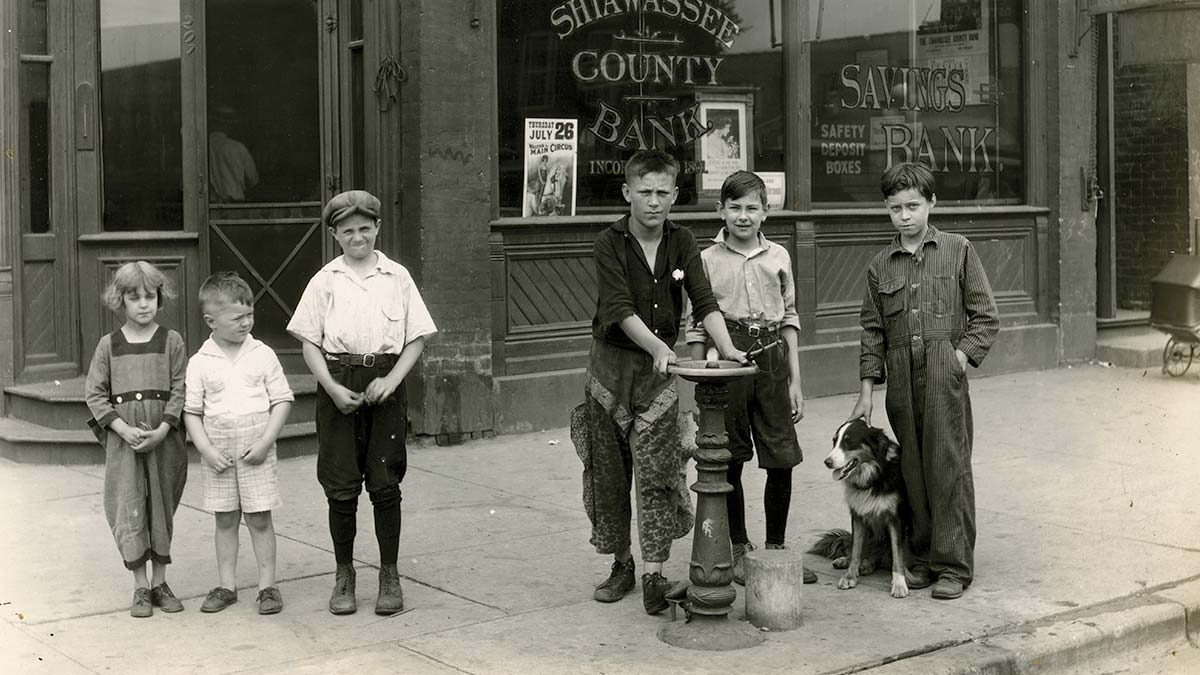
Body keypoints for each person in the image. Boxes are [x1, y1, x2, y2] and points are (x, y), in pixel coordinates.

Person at [577, 149, 746, 616]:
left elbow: (704, 299)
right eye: (644, 192)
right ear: (627, 193)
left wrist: (727, 347)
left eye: (662, 193)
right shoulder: (607, 243)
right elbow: (617, 307)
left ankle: (653, 572)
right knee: (611, 477)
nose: (653, 202)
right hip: (610, 371)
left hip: (659, 377)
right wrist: (656, 349)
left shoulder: (684, 241)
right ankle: (622, 564)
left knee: (657, 476)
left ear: (674, 195)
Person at [848, 163, 999, 600]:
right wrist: (866, 393)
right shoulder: (880, 266)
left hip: (942, 374)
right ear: (886, 210)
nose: (905, 215)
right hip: (901, 381)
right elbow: (872, 331)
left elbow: (985, 317)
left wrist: (956, 359)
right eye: (895, 208)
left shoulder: (959, 249)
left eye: (913, 205)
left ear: (932, 203)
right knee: (912, 471)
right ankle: (921, 558)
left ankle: (953, 566)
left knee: (947, 467)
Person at [287, 189, 436, 616]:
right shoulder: (325, 281)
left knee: (386, 485)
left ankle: (389, 574)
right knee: (341, 488)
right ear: (335, 234)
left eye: (365, 229)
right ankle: (344, 573)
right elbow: (310, 343)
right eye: (348, 231)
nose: (358, 238)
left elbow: (417, 337)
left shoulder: (398, 277)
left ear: (378, 229)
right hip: (339, 384)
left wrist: (391, 380)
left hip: (385, 385)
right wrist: (333, 388)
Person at [685, 170, 816, 587]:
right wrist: (703, 378)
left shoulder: (779, 256)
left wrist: (795, 380)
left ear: (766, 213)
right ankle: (739, 548)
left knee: (781, 457)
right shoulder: (706, 259)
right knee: (731, 458)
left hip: (772, 357)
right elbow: (697, 324)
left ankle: (776, 550)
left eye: (752, 208)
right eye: (735, 208)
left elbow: (791, 317)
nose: (743, 216)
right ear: (720, 211)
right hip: (729, 362)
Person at [183, 272, 293, 615]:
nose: (246, 323)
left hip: (255, 447)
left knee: (260, 517)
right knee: (225, 518)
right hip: (218, 451)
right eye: (237, 318)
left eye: (250, 315)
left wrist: (265, 442)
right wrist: (206, 450)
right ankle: (227, 585)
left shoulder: (263, 354)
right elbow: (191, 412)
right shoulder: (200, 362)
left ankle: (267, 587)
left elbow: (282, 400)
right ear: (210, 321)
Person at [85, 261, 188, 618]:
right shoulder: (108, 345)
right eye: (134, 297)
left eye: (150, 296)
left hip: (164, 442)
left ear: (159, 299)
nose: (143, 304)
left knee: (161, 505)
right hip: (125, 444)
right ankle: (140, 587)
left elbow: (179, 390)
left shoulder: (172, 341)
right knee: (129, 505)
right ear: (120, 300)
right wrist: (122, 429)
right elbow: (95, 394)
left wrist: (162, 431)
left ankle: (160, 582)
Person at [208, 104, 259, 203]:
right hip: (235, 206)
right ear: (230, 125)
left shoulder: (199, 147)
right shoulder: (238, 148)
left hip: (209, 207)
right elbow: (253, 180)